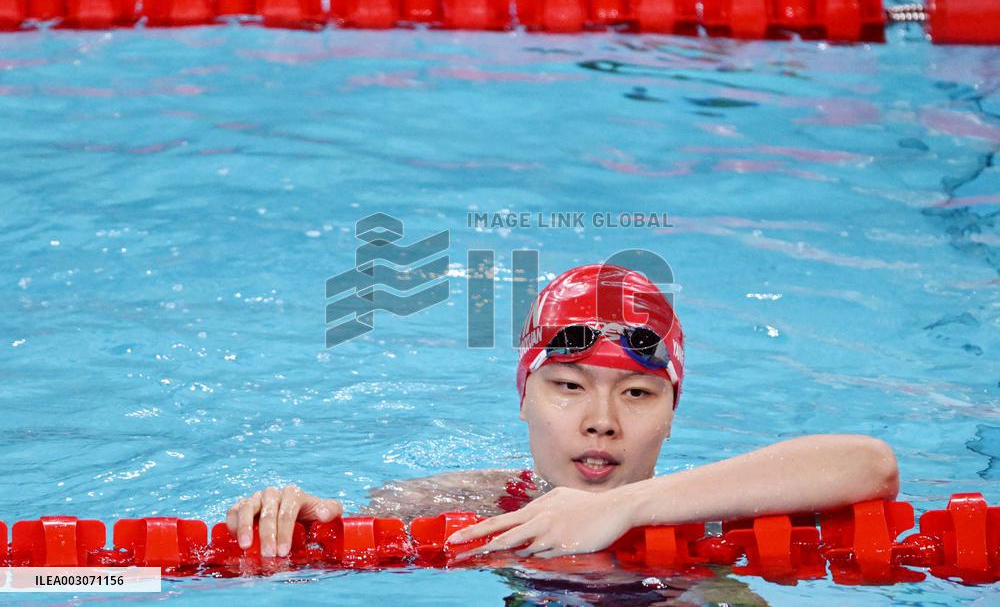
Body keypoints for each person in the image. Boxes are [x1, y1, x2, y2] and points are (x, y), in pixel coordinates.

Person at [226, 263, 899, 561]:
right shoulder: (467, 502)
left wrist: (629, 507)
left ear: (672, 413)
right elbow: (353, 538)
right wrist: (301, 521)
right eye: (569, 387)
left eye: (637, 393)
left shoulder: (721, 504)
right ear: (524, 398)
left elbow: (870, 465)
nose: (602, 420)